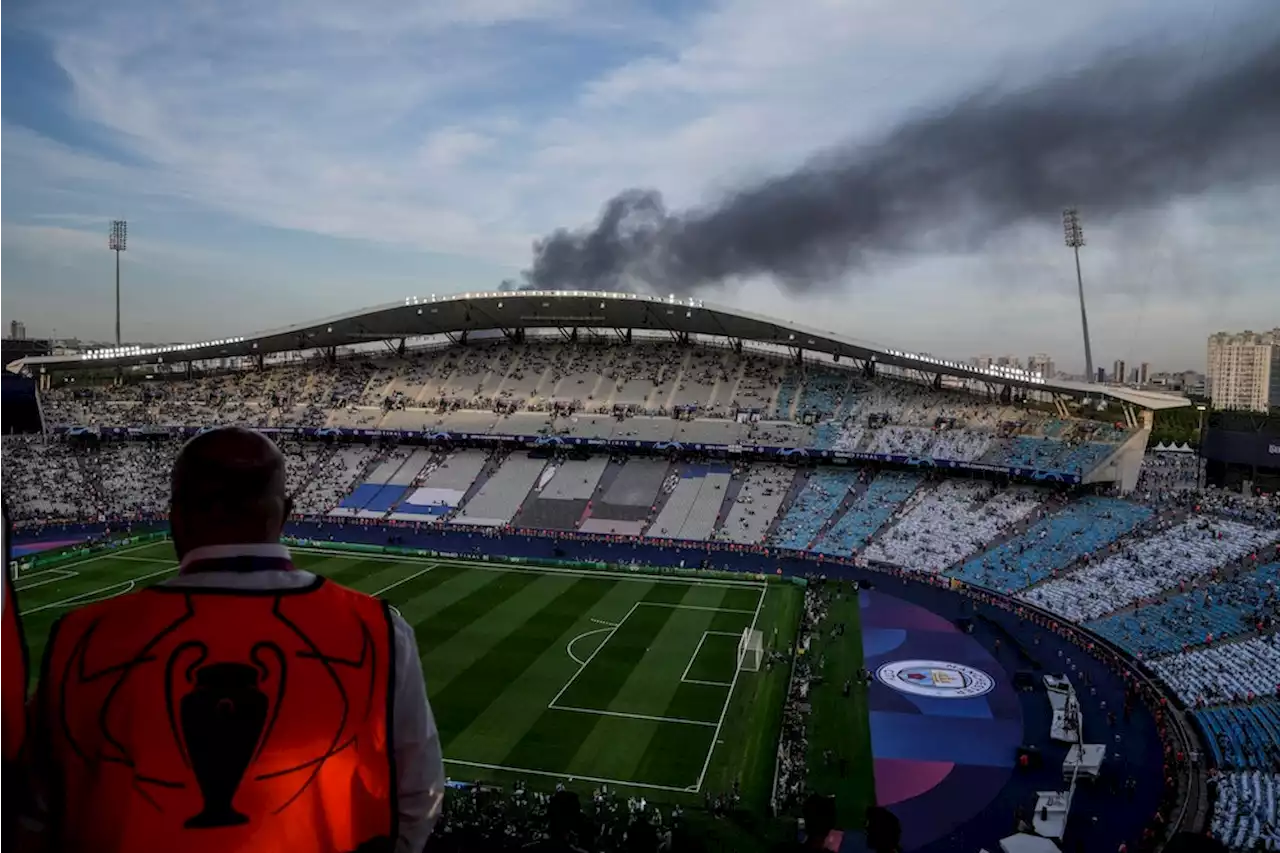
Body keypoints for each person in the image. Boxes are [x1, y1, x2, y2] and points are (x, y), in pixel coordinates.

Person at [27, 427, 443, 853]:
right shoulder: (377, 630)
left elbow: (33, 810)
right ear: (285, 514)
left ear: (175, 516)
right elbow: (417, 797)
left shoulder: (79, 638)